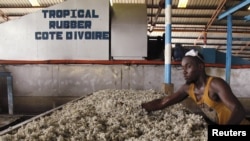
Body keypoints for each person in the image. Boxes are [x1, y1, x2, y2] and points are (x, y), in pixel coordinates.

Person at [141, 49, 248, 125]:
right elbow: (163, 102)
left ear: (200, 67)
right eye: (182, 68)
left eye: (188, 66)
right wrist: (141, 107)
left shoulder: (215, 84)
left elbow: (238, 110)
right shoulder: (188, 88)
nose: (184, 72)